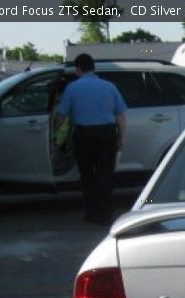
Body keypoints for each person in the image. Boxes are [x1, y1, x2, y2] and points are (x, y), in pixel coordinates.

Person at [55, 54, 127, 225]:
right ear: (93, 68)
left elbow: (61, 115)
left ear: (78, 69)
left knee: (87, 176)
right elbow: (121, 115)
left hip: (83, 134)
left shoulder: (72, 88)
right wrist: (121, 138)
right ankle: (105, 214)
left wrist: (55, 135)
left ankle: (91, 213)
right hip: (106, 133)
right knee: (105, 174)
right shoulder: (109, 86)